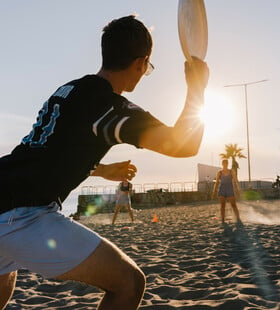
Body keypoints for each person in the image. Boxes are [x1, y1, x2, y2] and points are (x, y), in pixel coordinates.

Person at [0, 15, 209, 310]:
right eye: (146, 68)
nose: (143, 73)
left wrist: (99, 170)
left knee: (2, 276)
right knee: (129, 283)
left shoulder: (67, 91)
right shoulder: (109, 107)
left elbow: (46, 151)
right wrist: (198, 88)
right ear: (140, 63)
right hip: (23, 215)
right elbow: (184, 145)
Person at [212, 159, 241, 224]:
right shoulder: (219, 172)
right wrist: (214, 192)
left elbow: (235, 181)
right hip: (222, 189)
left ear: (227, 164)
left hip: (230, 189)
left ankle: (238, 218)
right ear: (222, 164)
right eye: (224, 163)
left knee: (233, 205)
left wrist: (237, 190)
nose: (225, 164)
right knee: (222, 205)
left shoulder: (231, 171)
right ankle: (222, 220)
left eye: (226, 163)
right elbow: (216, 183)